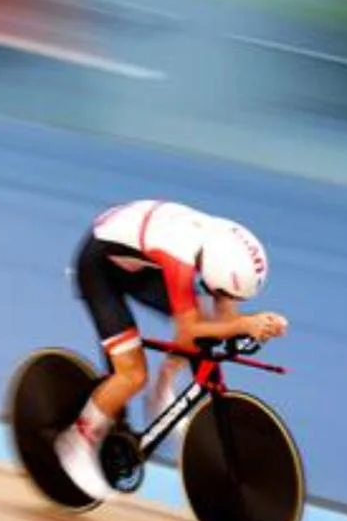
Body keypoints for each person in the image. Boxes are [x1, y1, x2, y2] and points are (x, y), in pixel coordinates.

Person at [58, 199, 289, 500]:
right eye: (224, 293)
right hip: (100, 266)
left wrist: (257, 325)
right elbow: (190, 331)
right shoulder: (181, 256)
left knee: (204, 321)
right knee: (132, 375)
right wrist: (246, 325)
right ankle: (76, 442)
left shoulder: (223, 245)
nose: (226, 298)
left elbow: (227, 315)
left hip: (142, 261)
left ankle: (161, 391)